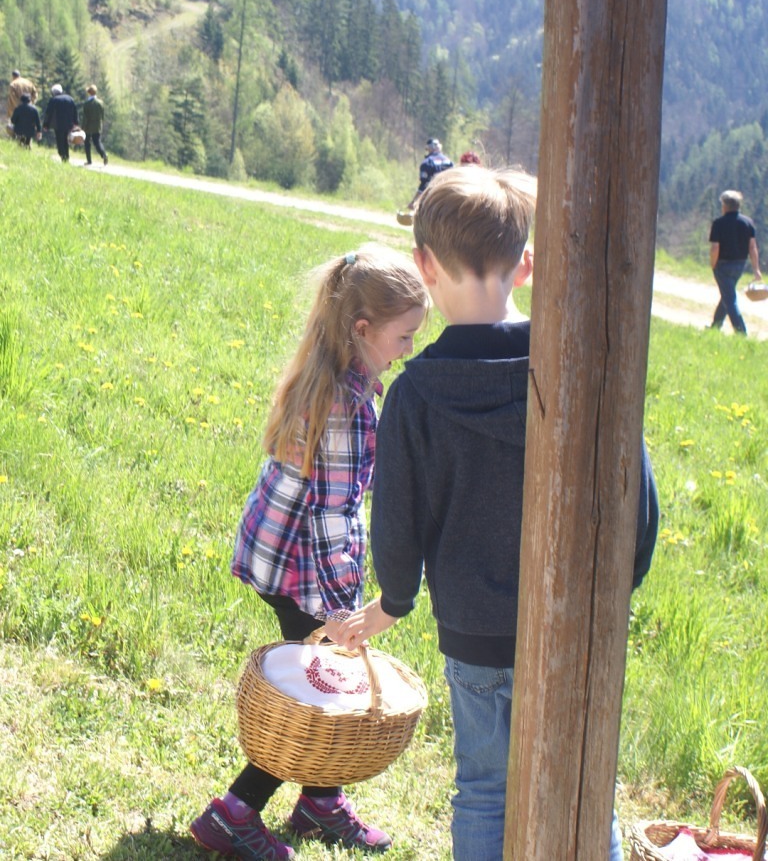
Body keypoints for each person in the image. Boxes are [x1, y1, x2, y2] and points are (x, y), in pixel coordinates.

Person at [332, 166, 660, 861]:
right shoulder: (582, 365)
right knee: (586, 786)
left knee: (484, 788)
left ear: (424, 267)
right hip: (576, 627)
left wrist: (393, 601)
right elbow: (638, 500)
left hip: (475, 636)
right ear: (526, 264)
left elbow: (397, 523)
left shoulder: (416, 393)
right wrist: (612, 591)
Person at [190, 244, 429, 860]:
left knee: (318, 680)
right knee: (316, 693)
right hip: (303, 567)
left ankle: (320, 802)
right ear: (363, 329)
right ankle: (233, 814)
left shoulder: (330, 377)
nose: (410, 349)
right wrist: (341, 608)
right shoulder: (346, 406)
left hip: (277, 553)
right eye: (404, 336)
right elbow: (331, 514)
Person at [707, 189, 761, 335]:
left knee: (730, 300)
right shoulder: (748, 222)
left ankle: (741, 332)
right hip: (740, 265)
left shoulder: (718, 223)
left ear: (725, 205)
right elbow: (752, 247)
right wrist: (756, 269)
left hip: (722, 265)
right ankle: (715, 327)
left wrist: (713, 264)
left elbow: (715, 248)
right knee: (727, 295)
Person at [407, 137, 453, 209]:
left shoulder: (427, 163)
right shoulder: (449, 161)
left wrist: (414, 201)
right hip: (449, 195)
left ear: (429, 148)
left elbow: (424, 184)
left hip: (434, 197)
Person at [43, 84, 78, 162]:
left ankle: (62, 155)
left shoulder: (53, 100)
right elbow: (75, 111)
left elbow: (49, 113)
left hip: (58, 124)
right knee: (65, 140)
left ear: (53, 92)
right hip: (69, 124)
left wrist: (46, 125)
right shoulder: (70, 99)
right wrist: (76, 122)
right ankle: (66, 156)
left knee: (60, 140)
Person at [81, 84, 108, 166]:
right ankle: (104, 154)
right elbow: (102, 115)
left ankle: (89, 160)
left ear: (89, 93)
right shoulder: (100, 103)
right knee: (97, 142)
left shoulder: (87, 104)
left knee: (87, 143)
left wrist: (83, 127)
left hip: (88, 126)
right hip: (97, 126)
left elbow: (85, 117)